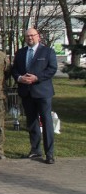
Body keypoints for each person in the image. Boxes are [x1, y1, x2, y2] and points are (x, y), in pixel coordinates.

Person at [11, 28, 58, 164]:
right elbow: (15, 70)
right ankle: (35, 150)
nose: (30, 38)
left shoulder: (48, 51)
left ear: (38, 37)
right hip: (26, 92)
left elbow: (52, 69)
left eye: (32, 35)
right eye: (27, 36)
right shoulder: (20, 53)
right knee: (32, 122)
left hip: (43, 92)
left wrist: (37, 78)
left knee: (47, 121)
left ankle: (49, 153)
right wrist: (19, 78)